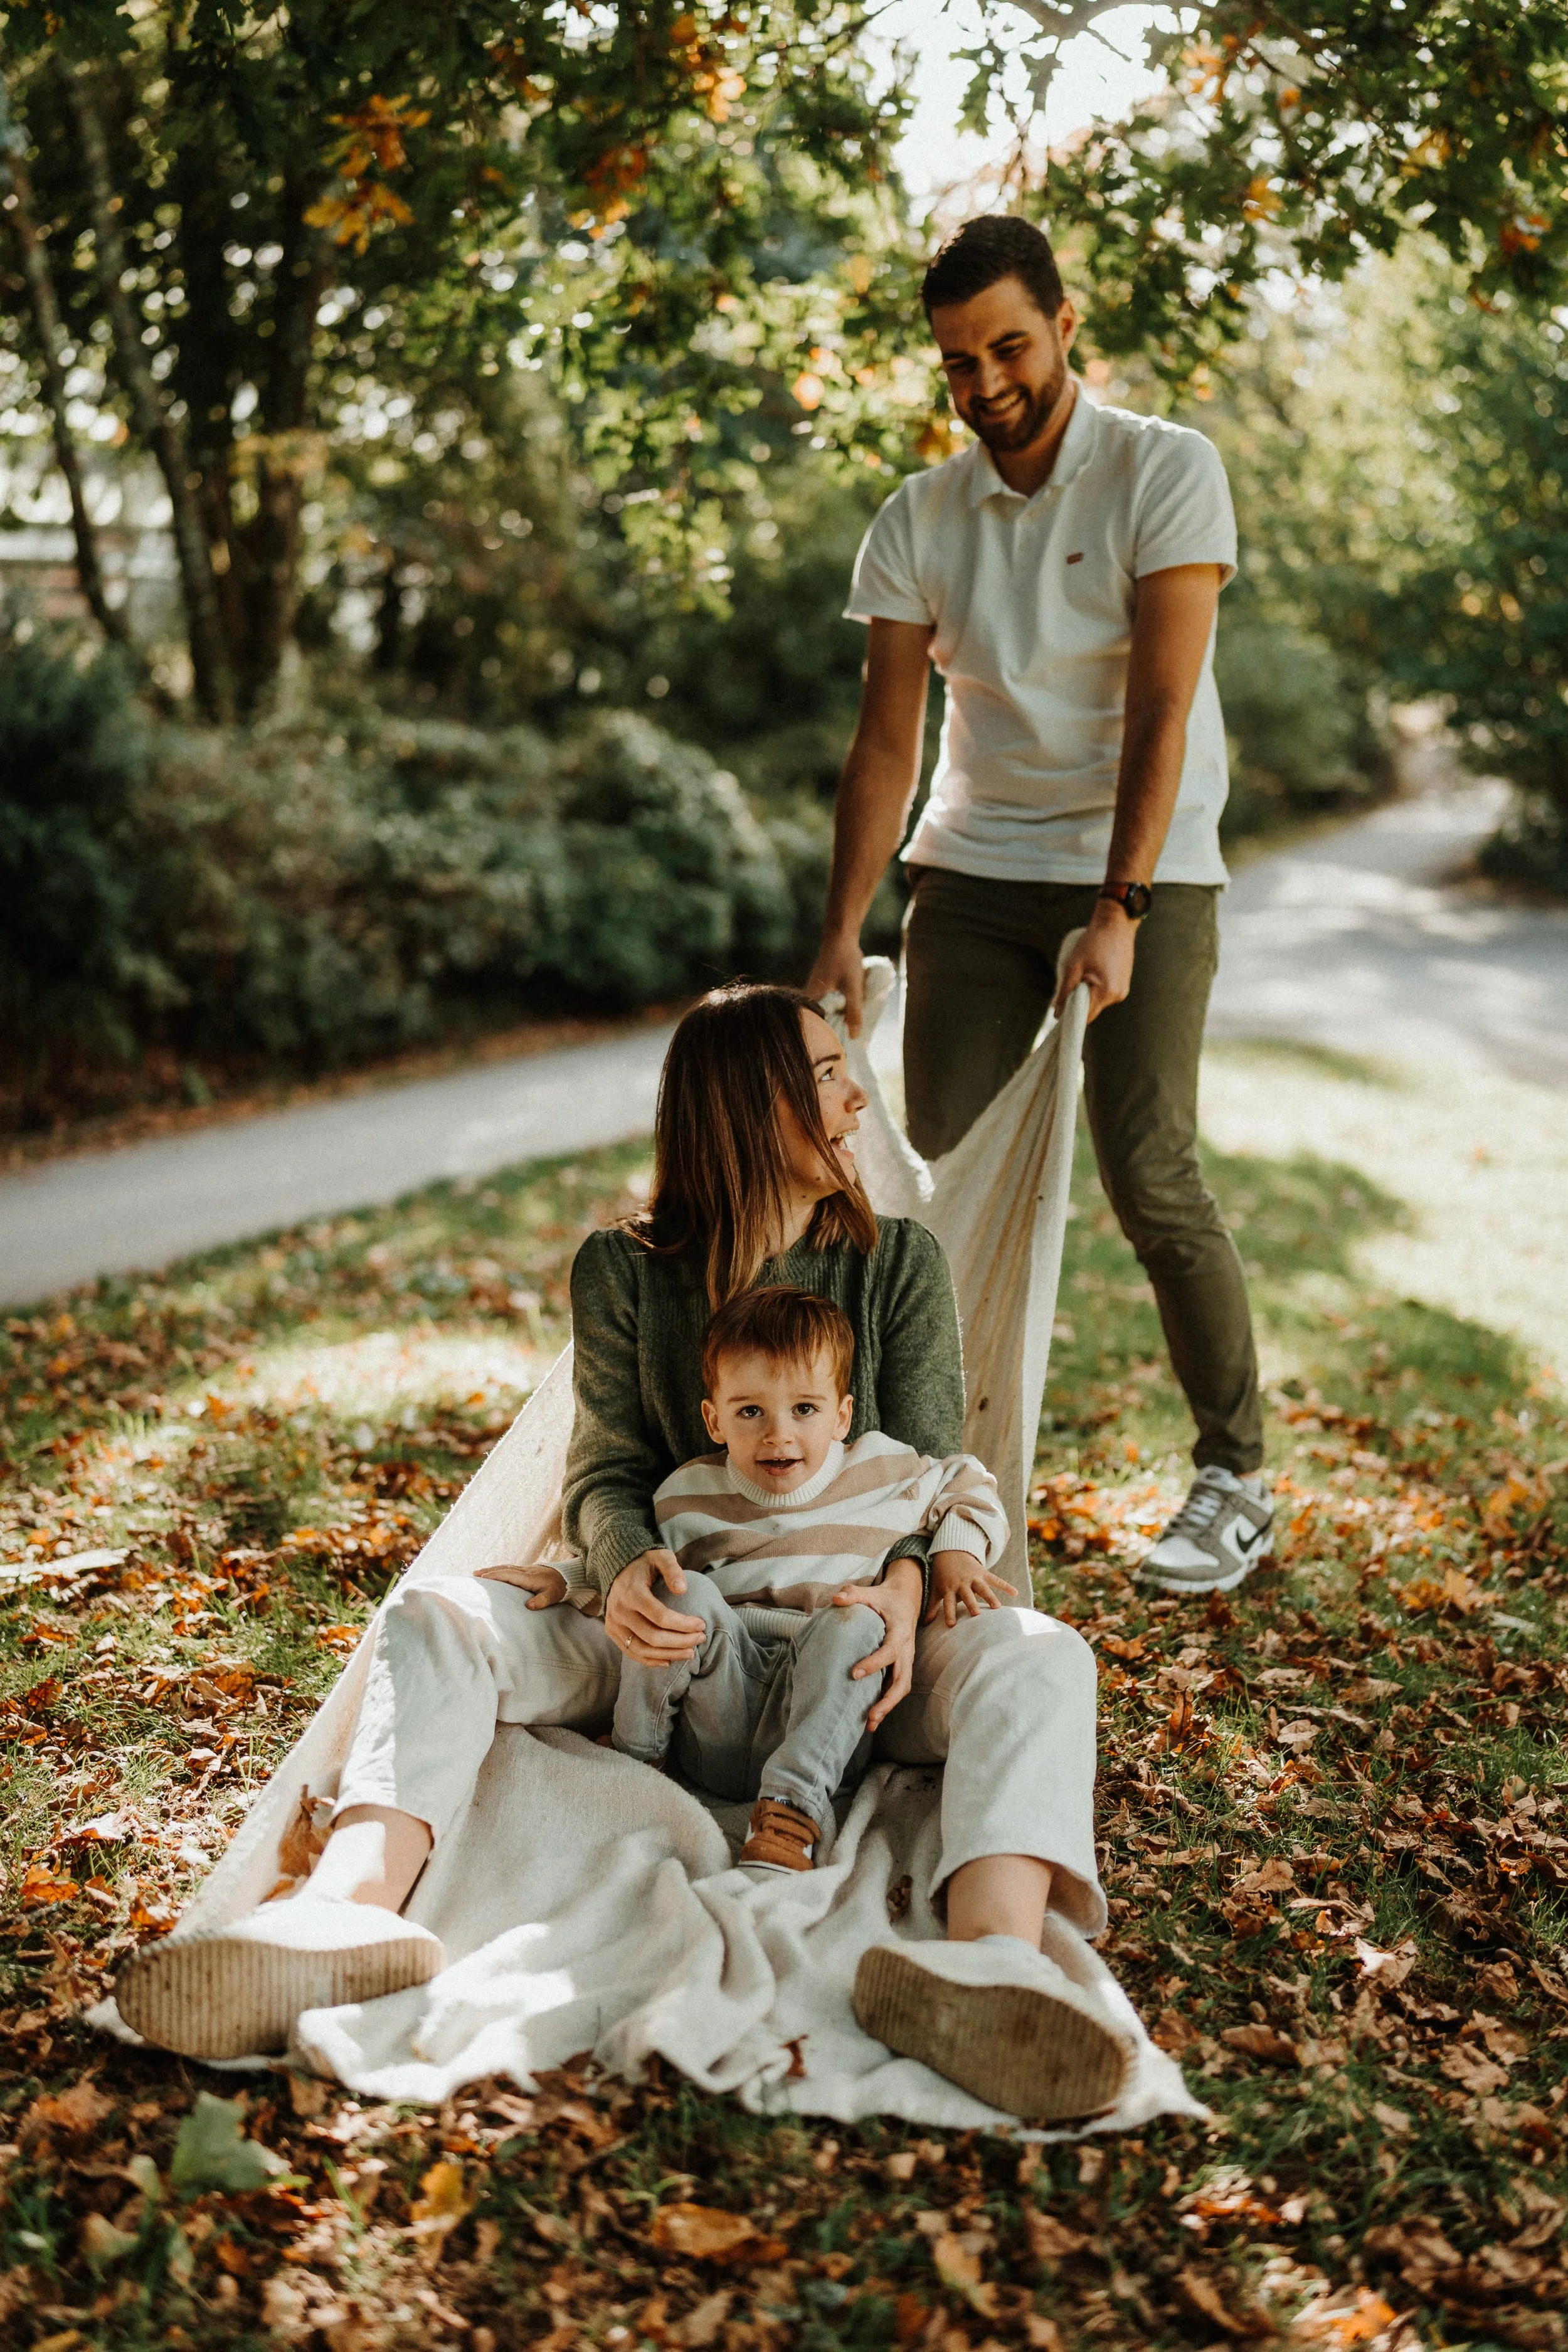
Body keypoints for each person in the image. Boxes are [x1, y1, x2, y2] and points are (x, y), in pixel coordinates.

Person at [117, 982, 1128, 2124]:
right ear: (756, 1106)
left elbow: (940, 1468)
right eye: (830, 1075)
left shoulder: (897, 1259)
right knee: (438, 1617)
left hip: (859, 1645)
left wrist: (903, 1592)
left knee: (1045, 1655)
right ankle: (345, 1917)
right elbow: (604, 1470)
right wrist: (629, 1564)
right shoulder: (623, 1271)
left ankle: (990, 1969)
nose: (857, 1100)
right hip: (676, 1619)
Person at [806, 212, 1275, 1597]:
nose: (985, 380)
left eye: (1007, 345)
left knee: (1147, 1168)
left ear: (1064, 326)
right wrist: (843, 923)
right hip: (973, 872)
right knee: (932, 1179)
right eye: (957, 360)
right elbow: (887, 744)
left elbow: (1162, 701)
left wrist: (1119, 902)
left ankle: (1234, 1477)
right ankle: (927, 1474)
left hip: (1146, 869)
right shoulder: (919, 517)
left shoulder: (1161, 470)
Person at [575, 1283, 1011, 1873]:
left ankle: (790, 1816)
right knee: (683, 1593)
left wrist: (956, 1554)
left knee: (859, 1616)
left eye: (804, 1409)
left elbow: (971, 1481)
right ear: (714, 1419)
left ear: (843, 1415)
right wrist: (569, 1580)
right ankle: (636, 1764)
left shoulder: (884, 1467)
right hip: (718, 1714)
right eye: (750, 1411)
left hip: (824, 1712)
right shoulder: (686, 1494)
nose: (778, 1433)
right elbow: (641, 1575)